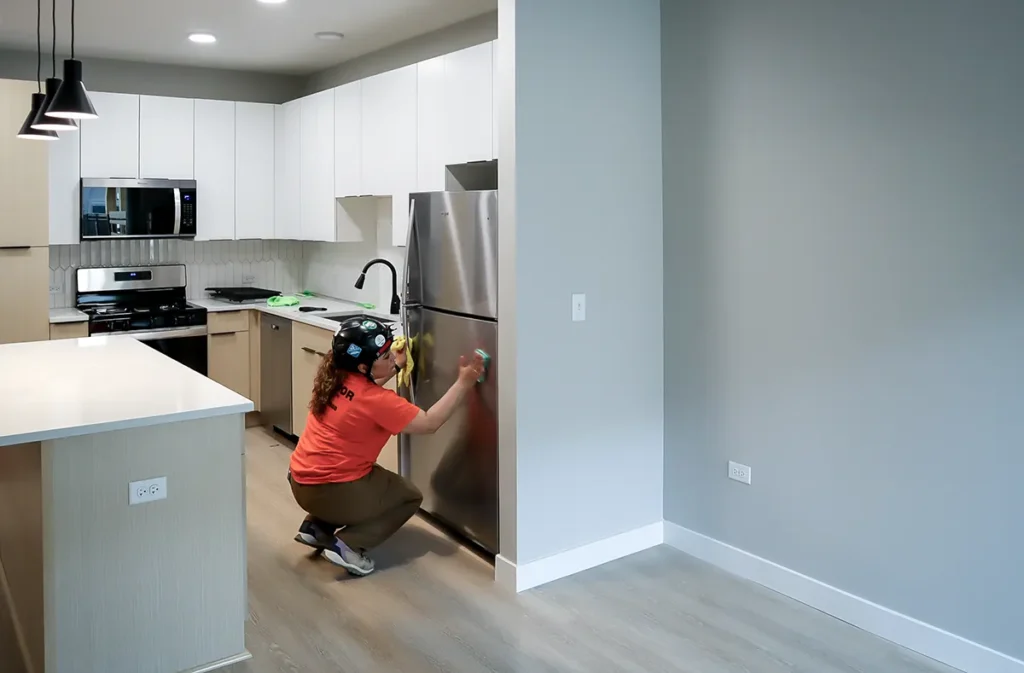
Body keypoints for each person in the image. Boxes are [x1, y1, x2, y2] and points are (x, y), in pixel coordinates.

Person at [287, 315, 485, 577]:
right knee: (408, 496)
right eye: (385, 357)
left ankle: (316, 527)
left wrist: (397, 366)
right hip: (330, 491)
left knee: (365, 477)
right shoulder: (377, 401)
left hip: (300, 481)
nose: (392, 357)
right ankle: (349, 545)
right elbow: (429, 423)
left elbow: (364, 399)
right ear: (362, 367)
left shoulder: (333, 379)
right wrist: (464, 383)